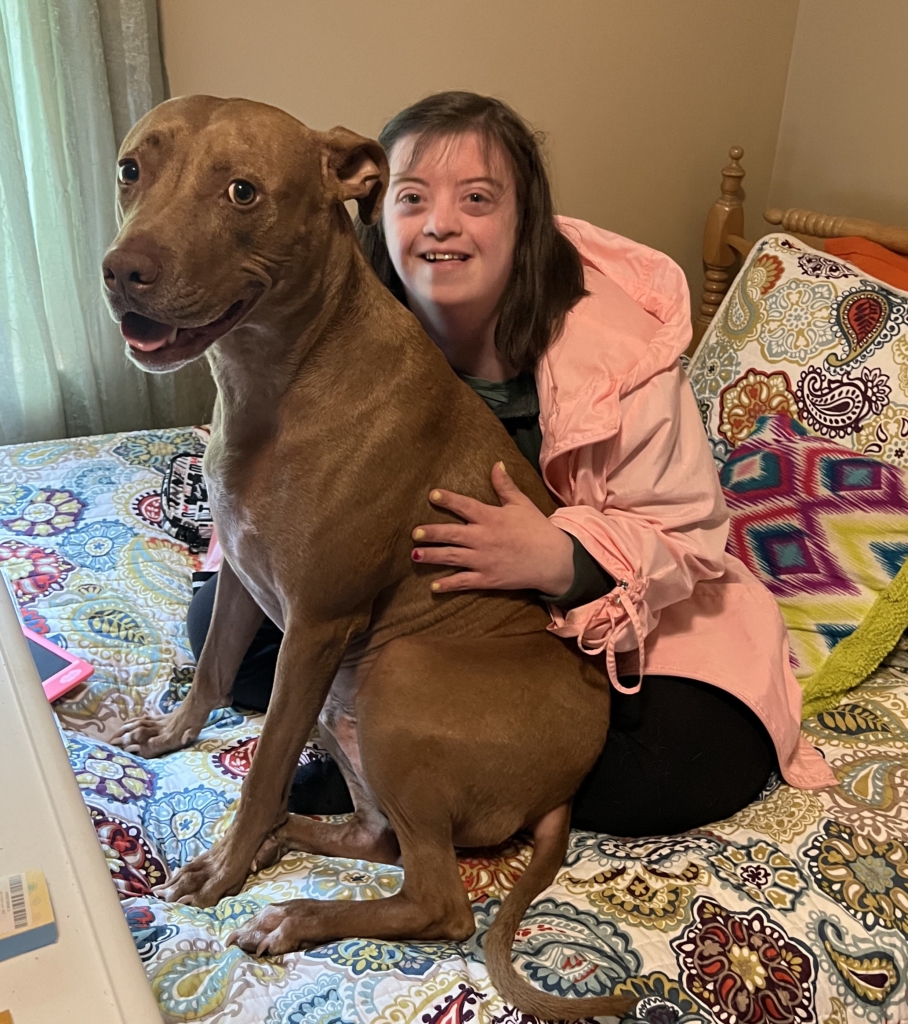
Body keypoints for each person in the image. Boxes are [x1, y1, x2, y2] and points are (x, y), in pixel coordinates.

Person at [188, 92, 835, 838]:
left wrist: (556, 556)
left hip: (606, 616)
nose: (440, 223)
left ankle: (427, 769)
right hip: (410, 598)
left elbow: (688, 534)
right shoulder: (341, 322)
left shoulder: (621, 352)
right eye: (412, 198)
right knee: (222, 628)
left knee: (686, 761)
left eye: (477, 198)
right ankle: (414, 754)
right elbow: (276, 486)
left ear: (524, 218)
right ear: (374, 214)